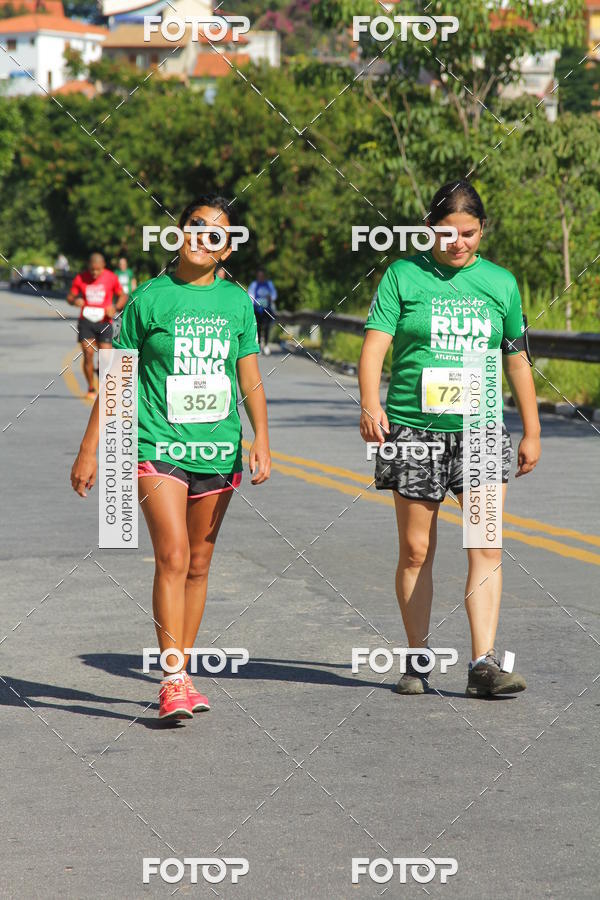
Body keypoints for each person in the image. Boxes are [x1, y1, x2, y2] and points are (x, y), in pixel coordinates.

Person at [70, 195, 271, 720]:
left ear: (226, 250)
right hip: (157, 444)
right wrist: (90, 450)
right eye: (195, 227)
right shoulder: (149, 300)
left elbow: (249, 377)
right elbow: (119, 378)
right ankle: (174, 680)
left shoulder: (236, 304)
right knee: (174, 555)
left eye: (216, 233)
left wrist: (262, 438)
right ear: (179, 235)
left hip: (218, 446)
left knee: (200, 565)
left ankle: (182, 669)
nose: (203, 237)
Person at [359, 180, 541, 699]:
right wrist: (371, 403)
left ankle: (483, 662)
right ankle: (416, 657)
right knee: (417, 550)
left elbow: (516, 358)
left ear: (482, 230)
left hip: (481, 431)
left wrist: (532, 426)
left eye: (468, 232)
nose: (458, 242)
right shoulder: (403, 276)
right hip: (414, 430)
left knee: (485, 544)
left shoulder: (501, 283)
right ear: (427, 230)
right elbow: (374, 349)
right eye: (445, 232)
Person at [67, 253, 125, 398]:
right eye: (92, 269)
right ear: (88, 267)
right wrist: (75, 301)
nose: (94, 273)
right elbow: (70, 296)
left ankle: (102, 378)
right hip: (86, 321)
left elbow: (123, 295)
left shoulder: (111, 277)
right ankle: (91, 388)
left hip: (105, 321)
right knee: (88, 354)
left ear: (103, 266)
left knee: (105, 357)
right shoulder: (81, 278)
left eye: (98, 270)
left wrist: (115, 307)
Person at [248, 269, 277, 355]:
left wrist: (271, 297)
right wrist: (256, 302)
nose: (260, 277)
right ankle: (259, 345)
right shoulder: (254, 284)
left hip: (267, 309)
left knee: (267, 327)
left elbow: (274, 294)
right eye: (259, 276)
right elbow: (250, 295)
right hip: (257, 309)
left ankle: (266, 345)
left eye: (262, 276)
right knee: (258, 327)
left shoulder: (269, 284)